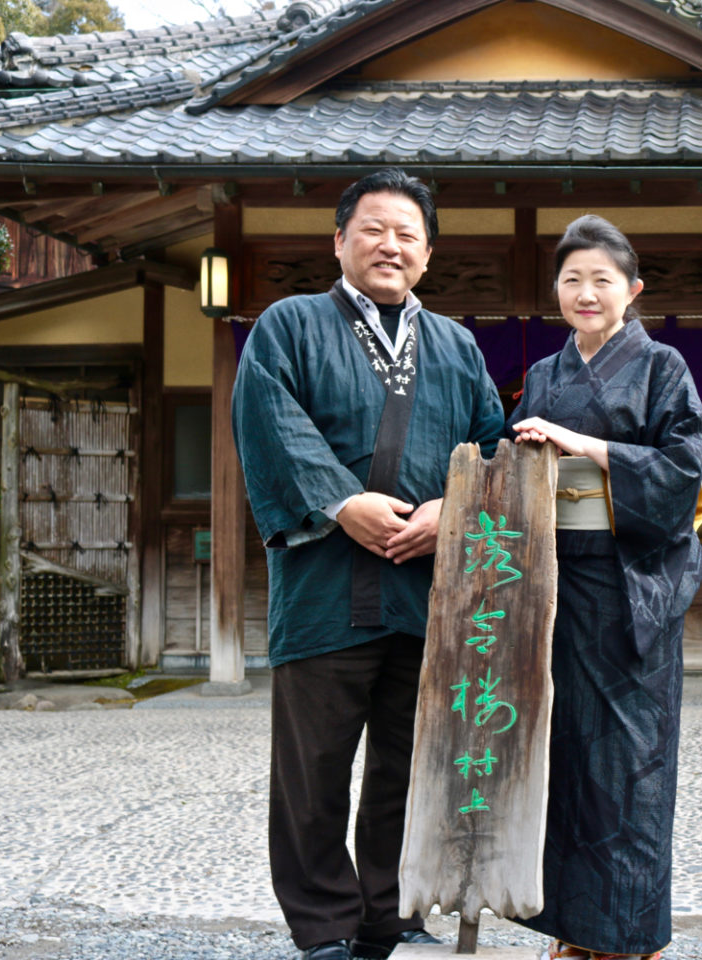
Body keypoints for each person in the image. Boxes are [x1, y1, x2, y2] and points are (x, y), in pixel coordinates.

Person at [232, 168, 505, 960]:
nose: (391, 245)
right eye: (375, 229)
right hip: (322, 590)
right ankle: (323, 927)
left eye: (408, 235)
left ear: (427, 254)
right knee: (312, 774)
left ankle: (389, 919)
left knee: (405, 771)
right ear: (341, 239)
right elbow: (269, 418)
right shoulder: (289, 325)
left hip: (424, 597)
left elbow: (490, 444)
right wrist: (338, 502)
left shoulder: (455, 344)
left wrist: (450, 511)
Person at [508, 215, 702, 960]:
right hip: (554, 588)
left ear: (632, 290)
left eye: (601, 280)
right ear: (556, 291)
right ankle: (572, 930)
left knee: (630, 765)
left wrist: (585, 445)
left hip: (631, 590)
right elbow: (514, 471)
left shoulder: (662, 367)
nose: (585, 293)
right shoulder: (543, 377)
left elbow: (681, 469)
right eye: (572, 280)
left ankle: (630, 936)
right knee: (560, 760)